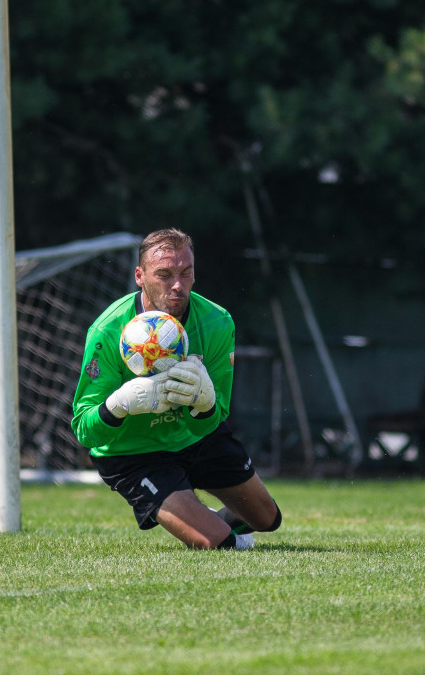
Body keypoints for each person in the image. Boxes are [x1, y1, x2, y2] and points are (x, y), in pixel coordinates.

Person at [72, 228, 281, 550]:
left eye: (186, 273)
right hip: (133, 454)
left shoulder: (217, 322)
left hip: (196, 439)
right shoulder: (107, 330)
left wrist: (205, 404)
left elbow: (216, 417)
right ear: (140, 276)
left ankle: (205, 517)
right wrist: (118, 406)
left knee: (267, 520)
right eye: (164, 275)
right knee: (220, 544)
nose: (178, 285)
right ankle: (203, 522)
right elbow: (86, 431)